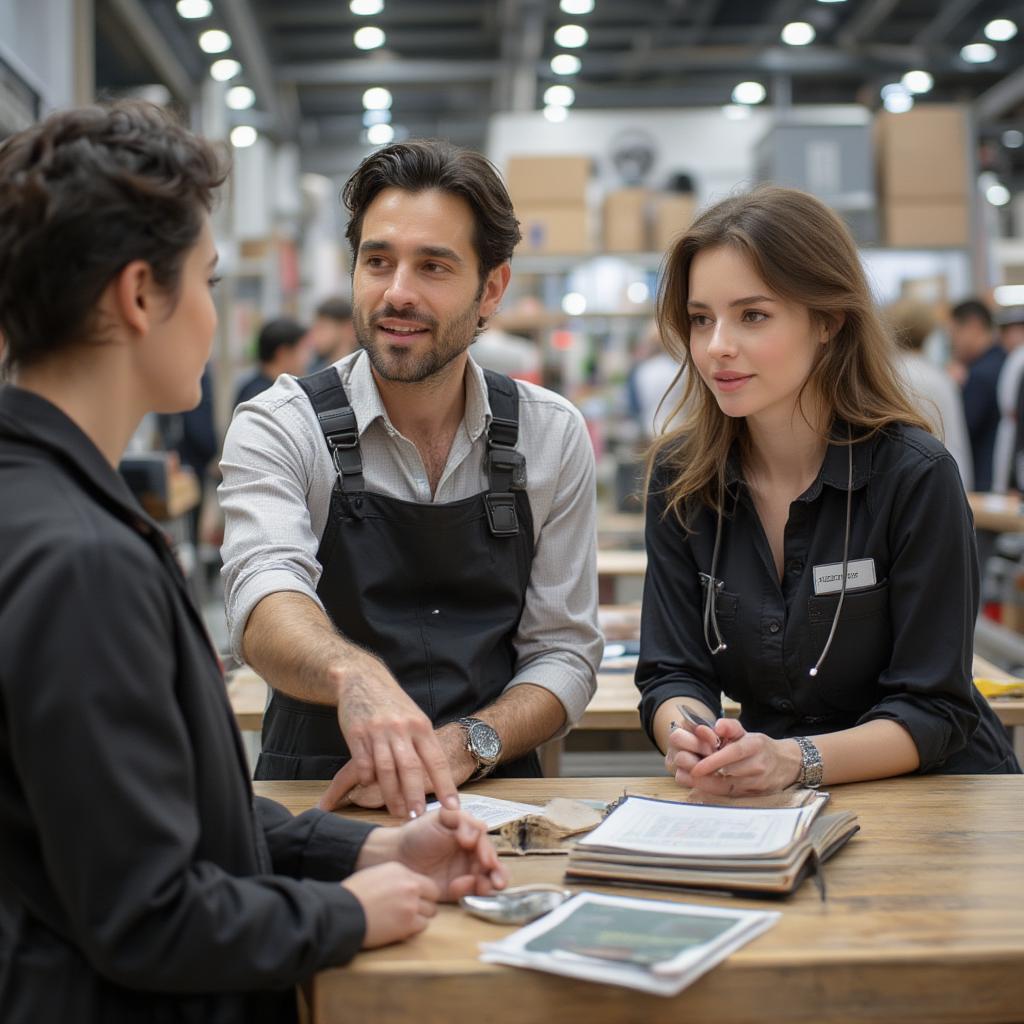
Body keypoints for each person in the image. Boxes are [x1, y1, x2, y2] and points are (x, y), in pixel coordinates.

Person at [0, 101, 506, 1024]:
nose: (211, 310)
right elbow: (147, 916)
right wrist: (342, 913)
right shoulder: (76, 559)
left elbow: (155, 817)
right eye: (207, 279)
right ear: (138, 295)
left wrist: (350, 853)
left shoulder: (53, 505)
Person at [220, 139, 602, 815]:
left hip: (499, 802)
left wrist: (472, 741)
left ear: (491, 289)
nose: (397, 292)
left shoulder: (551, 434)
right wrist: (353, 674)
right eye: (378, 261)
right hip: (319, 799)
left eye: (433, 266)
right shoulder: (281, 425)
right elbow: (263, 597)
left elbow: (564, 653)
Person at [636, 185, 1020, 798]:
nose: (716, 347)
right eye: (701, 318)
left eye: (752, 316)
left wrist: (796, 760)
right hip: (771, 801)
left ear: (828, 321)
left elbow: (935, 709)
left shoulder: (915, 477)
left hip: (938, 803)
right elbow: (672, 671)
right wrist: (690, 733)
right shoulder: (682, 481)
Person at [888, 297, 972, 488]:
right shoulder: (941, 377)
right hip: (947, 479)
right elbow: (956, 439)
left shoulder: (888, 376)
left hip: (905, 483)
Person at [950, 298, 1002, 492]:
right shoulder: (1004, 360)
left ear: (973, 326)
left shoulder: (980, 375)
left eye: (954, 333)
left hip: (986, 482)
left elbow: (963, 429)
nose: (952, 343)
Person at [235, 316, 312, 406]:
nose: (308, 358)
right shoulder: (263, 397)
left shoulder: (250, 387)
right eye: (304, 349)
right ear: (283, 353)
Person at [308, 295, 357, 371]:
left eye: (322, 327)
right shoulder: (312, 371)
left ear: (347, 329)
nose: (314, 334)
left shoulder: (369, 370)